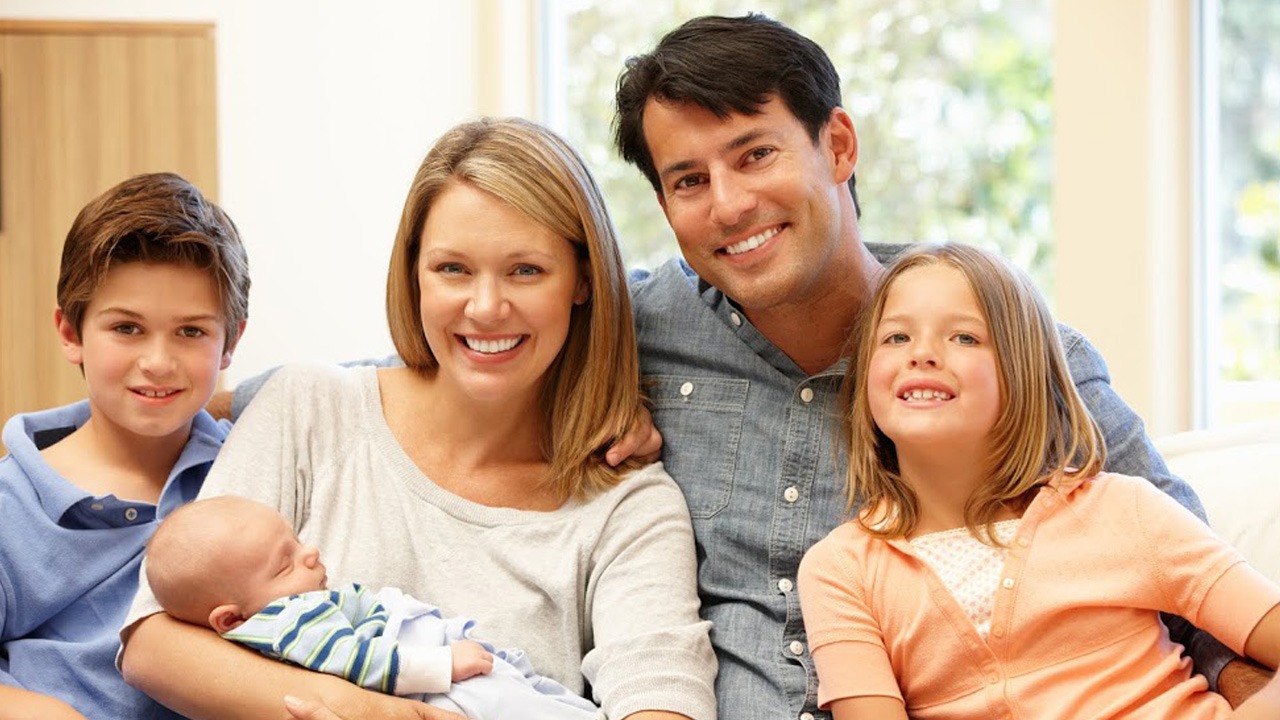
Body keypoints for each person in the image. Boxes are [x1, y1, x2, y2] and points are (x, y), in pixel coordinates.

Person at [222, 14, 1258, 719]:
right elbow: (456, 351)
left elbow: (1196, 600)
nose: (725, 205)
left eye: (754, 154)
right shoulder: (627, 329)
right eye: (686, 179)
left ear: (837, 146)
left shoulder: (1003, 356)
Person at [118, 117, 716, 720]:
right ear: (414, 274)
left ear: (584, 279)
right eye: (452, 269)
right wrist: (369, 712)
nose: (485, 308)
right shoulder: (308, 408)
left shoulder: (628, 505)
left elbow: (662, 700)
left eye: (525, 270)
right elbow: (154, 643)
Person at [796, 243, 1280, 718]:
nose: (922, 353)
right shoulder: (839, 571)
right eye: (896, 337)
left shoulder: (1125, 510)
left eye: (964, 337)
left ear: (1022, 375)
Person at [0, 172, 249, 719]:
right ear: (70, 333)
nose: (158, 361)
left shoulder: (253, 465)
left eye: (191, 332)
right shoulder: (11, 507)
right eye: (127, 328)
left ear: (231, 341)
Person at [146, 496, 602, 720]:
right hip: (437, 691)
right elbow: (359, 663)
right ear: (232, 618)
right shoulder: (285, 624)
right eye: (285, 564)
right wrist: (443, 664)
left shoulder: (284, 606)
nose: (310, 554)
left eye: (296, 540)